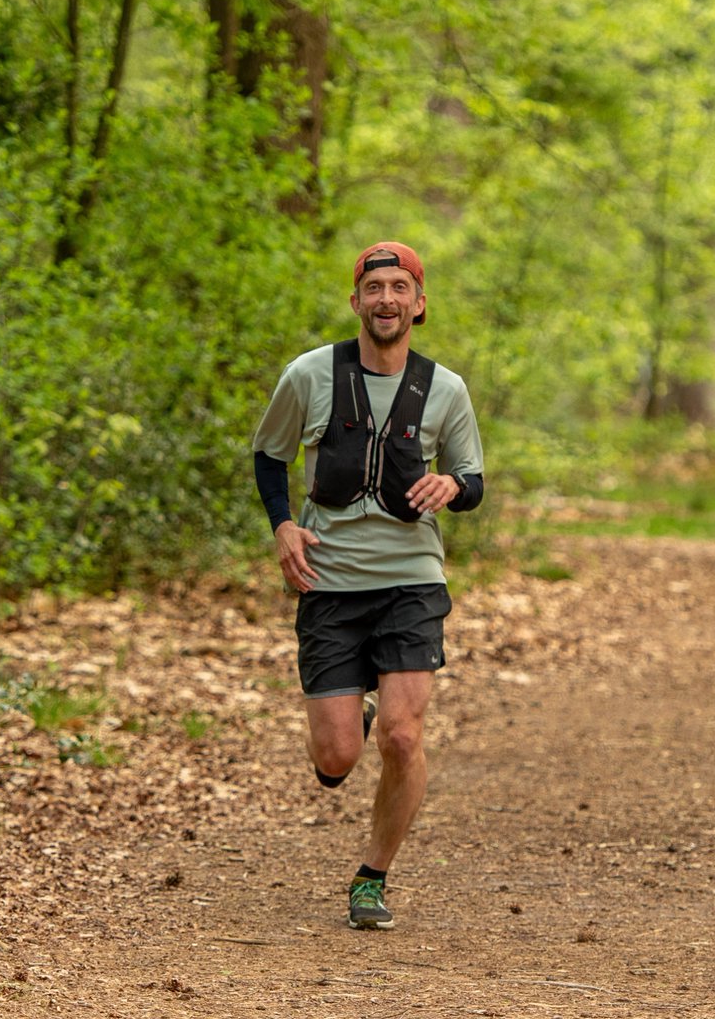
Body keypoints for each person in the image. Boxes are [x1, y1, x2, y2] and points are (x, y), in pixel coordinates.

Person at [253, 241, 484, 931]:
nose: (387, 299)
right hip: (329, 580)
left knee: (404, 737)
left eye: (399, 287)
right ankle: (344, 721)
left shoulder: (446, 389)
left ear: (419, 303)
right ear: (356, 302)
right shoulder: (309, 375)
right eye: (374, 287)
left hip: (411, 582)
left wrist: (453, 484)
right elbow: (270, 457)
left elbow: (473, 481)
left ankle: (371, 877)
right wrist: (283, 526)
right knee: (336, 758)